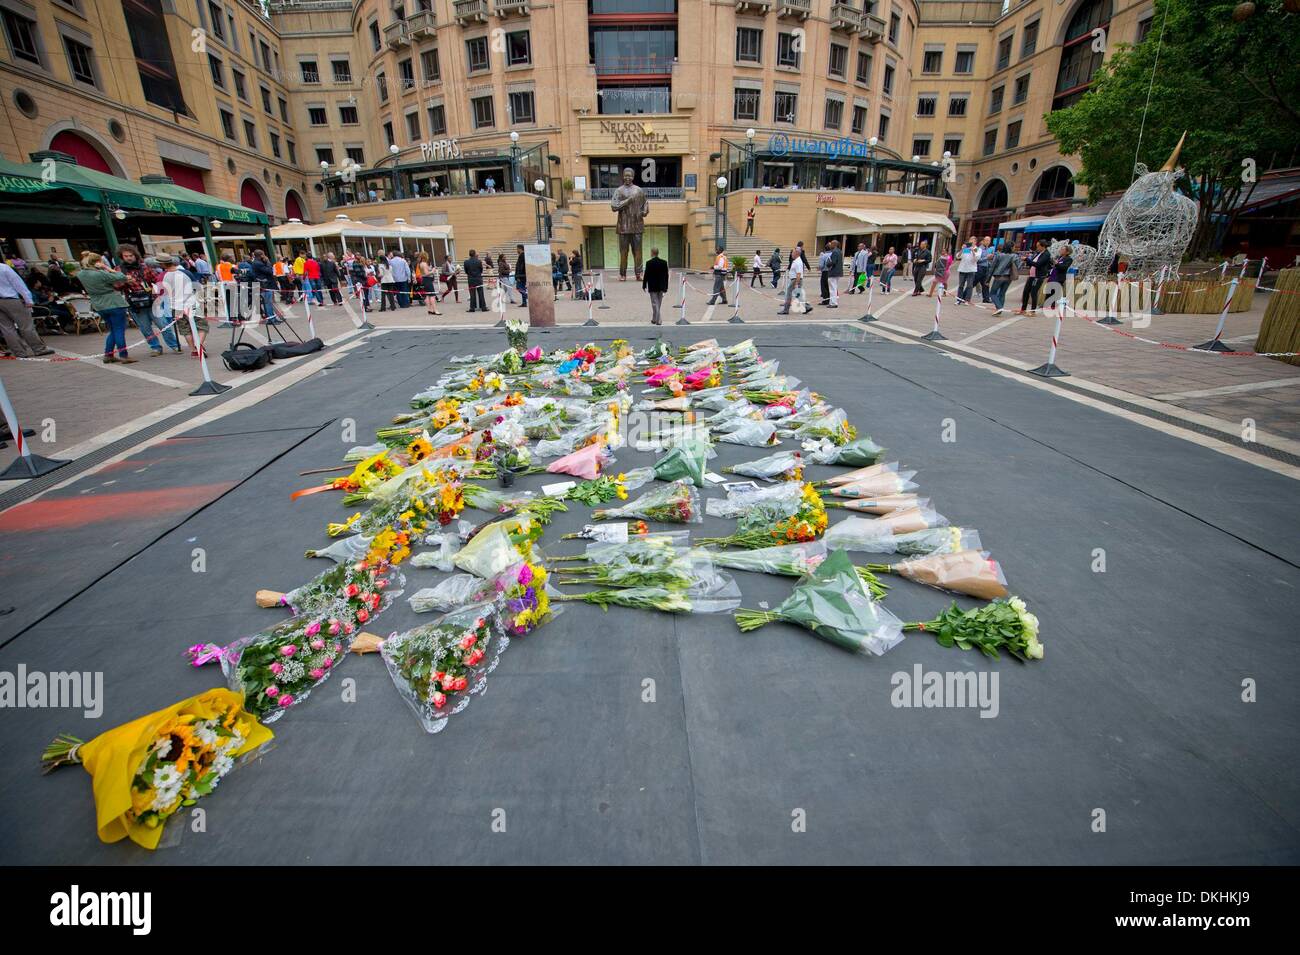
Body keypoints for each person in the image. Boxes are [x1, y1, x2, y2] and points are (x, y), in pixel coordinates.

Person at [76, 251, 136, 364]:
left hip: (98, 304)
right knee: (119, 330)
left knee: (113, 330)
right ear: (97, 262)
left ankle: (108, 354)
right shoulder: (100, 273)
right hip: (113, 302)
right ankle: (124, 355)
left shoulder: (81, 274)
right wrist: (106, 267)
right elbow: (120, 276)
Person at [117, 244, 179, 355]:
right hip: (135, 304)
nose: (129, 258)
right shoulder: (119, 270)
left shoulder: (144, 267)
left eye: (131, 255)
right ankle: (155, 347)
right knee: (145, 328)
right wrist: (124, 281)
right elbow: (116, 286)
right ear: (122, 257)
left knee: (163, 324)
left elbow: (157, 280)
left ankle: (174, 345)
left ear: (135, 255)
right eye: (126, 256)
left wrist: (156, 289)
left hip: (152, 301)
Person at [0, 260, 55, 358]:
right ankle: (39, 349)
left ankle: (19, 352)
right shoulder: (4, 268)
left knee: (7, 328)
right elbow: (17, 283)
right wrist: (28, 298)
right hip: (11, 299)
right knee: (26, 325)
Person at [157, 253, 205, 358]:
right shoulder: (186, 272)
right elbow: (197, 287)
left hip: (176, 306)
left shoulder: (162, 276)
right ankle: (199, 345)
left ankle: (193, 350)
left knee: (185, 329)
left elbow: (161, 292)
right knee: (201, 326)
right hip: (191, 302)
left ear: (162, 264)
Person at [1018, 239, 1051, 314]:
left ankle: (1033, 311)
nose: (1037, 248)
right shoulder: (1039, 253)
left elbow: (1038, 264)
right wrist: (1027, 261)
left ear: (1043, 247)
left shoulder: (1046, 254)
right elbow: (1032, 262)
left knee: (1033, 293)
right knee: (1026, 292)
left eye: (1038, 246)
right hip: (1032, 276)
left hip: (1038, 276)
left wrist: (1027, 259)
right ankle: (1023, 309)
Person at [778, 246, 811, 315]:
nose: (791, 254)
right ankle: (806, 307)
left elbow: (798, 274)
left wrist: (796, 283)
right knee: (798, 295)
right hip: (795, 280)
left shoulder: (798, 262)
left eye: (792, 253)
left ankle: (786, 310)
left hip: (795, 280)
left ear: (797, 253)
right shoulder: (796, 261)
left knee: (788, 294)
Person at [990, 240, 1018, 316]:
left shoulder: (998, 255)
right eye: (1014, 247)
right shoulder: (1015, 256)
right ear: (1011, 248)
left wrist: (988, 279)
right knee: (1002, 293)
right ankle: (999, 310)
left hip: (999, 277)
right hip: (1009, 277)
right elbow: (1018, 266)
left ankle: (999, 308)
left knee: (992, 293)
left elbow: (992, 267)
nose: (1015, 248)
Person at [251, 249, 279, 322]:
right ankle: (271, 319)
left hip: (264, 284)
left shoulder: (257, 262)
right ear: (261, 255)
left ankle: (272, 317)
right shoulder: (258, 263)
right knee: (268, 302)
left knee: (268, 302)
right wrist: (268, 262)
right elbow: (269, 271)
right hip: (265, 284)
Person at [642, 246, 669, 325]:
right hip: (661, 286)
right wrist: (666, 286)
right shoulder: (664, 262)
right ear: (657, 253)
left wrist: (644, 285)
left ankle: (659, 319)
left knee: (655, 303)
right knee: (658, 303)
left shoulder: (649, 263)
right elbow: (666, 276)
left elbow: (646, 275)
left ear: (652, 253)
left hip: (653, 286)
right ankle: (654, 319)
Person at [955, 238, 979, 305]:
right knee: (961, 285)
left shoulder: (977, 249)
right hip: (962, 269)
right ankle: (959, 299)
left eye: (972, 241)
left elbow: (976, 258)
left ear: (975, 242)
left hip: (971, 270)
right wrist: (962, 249)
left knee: (969, 285)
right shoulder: (966, 249)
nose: (971, 242)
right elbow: (958, 256)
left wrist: (972, 251)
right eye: (970, 240)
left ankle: (967, 300)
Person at [826, 239, 843, 307]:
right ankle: (833, 302)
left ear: (834, 244)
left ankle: (833, 303)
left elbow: (833, 262)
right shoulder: (839, 251)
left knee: (832, 288)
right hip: (838, 272)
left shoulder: (835, 252)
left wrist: (827, 264)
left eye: (831, 244)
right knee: (834, 287)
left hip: (833, 272)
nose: (830, 245)